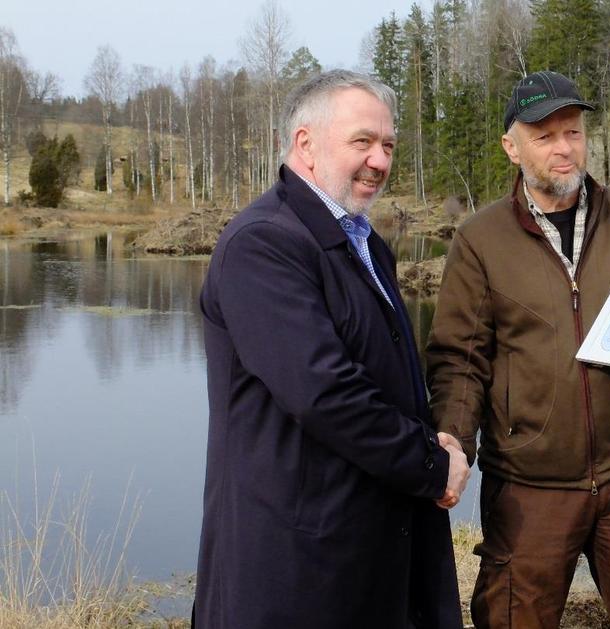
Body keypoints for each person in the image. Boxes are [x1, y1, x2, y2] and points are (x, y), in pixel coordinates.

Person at [425, 70, 610, 628]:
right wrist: (454, 443)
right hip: (529, 490)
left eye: (573, 132)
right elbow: (459, 361)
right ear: (512, 147)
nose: (564, 148)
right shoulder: (480, 240)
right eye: (544, 135)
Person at [194, 70, 469, 629]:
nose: (380, 161)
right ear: (305, 144)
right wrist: (430, 465)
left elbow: (383, 372)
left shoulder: (362, 243)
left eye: (388, 145)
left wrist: (429, 436)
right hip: (295, 564)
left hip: (365, 542)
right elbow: (326, 393)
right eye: (362, 141)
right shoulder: (264, 244)